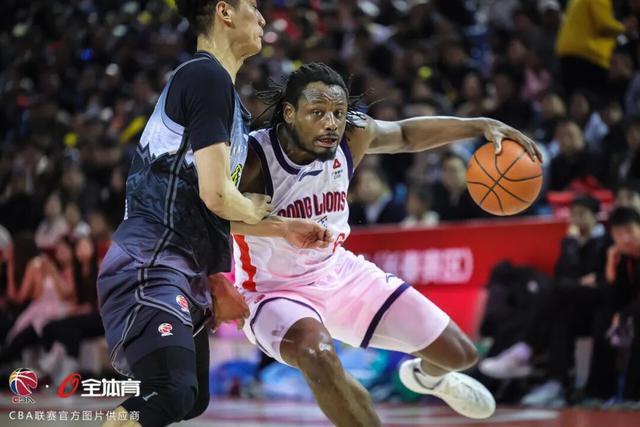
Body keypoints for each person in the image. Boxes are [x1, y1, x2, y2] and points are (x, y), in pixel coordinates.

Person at [231, 62, 541, 425]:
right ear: (289, 112)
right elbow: (206, 216)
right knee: (318, 353)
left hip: (338, 271)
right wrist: (282, 228)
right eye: (317, 113)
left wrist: (479, 125)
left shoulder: (352, 135)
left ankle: (425, 378)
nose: (331, 123)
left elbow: (406, 135)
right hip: (272, 289)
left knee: (460, 354)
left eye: (338, 112)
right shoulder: (253, 157)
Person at [97, 2, 329, 426]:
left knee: (192, 399)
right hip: (150, 260)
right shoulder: (205, 76)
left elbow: (202, 204)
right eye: (253, 6)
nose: (262, 18)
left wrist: (279, 229)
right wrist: (252, 206)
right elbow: (218, 196)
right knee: (170, 391)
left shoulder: (226, 99)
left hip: (182, 267)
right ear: (224, 11)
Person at [479, 195, 610, 406]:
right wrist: (572, 252)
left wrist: (574, 279)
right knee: (559, 316)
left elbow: (598, 281)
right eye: (573, 214)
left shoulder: (605, 242)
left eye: (582, 214)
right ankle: (555, 385)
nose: (576, 220)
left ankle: (524, 351)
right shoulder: (570, 242)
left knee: (553, 292)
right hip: (571, 307)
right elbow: (563, 275)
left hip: (598, 307)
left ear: (596, 216)